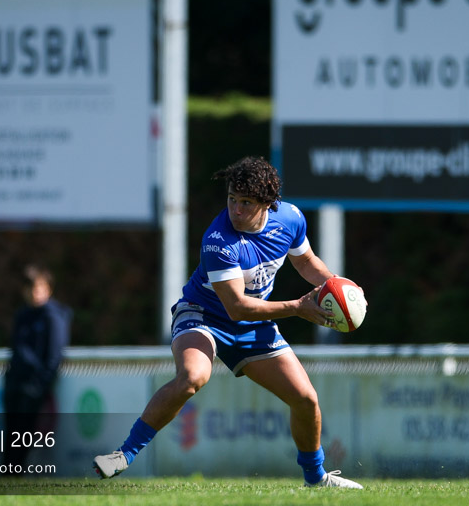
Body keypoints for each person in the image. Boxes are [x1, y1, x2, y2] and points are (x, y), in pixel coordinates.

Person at [93, 156, 363, 488]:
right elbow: (236, 307)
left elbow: (305, 262)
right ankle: (123, 455)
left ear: (268, 203)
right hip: (203, 316)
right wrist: (296, 307)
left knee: (306, 399)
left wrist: (337, 286)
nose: (235, 209)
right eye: (232, 199)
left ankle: (316, 479)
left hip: (252, 326)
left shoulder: (290, 218)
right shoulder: (218, 240)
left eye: (245, 202)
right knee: (193, 376)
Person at [2, 264, 72, 471]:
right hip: (15, 382)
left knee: (24, 433)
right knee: (11, 432)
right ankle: (8, 473)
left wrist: (39, 384)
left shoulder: (54, 316)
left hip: (33, 386)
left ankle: (16, 472)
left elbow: (53, 356)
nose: (35, 293)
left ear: (48, 289)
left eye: (40, 288)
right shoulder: (22, 315)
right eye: (32, 288)